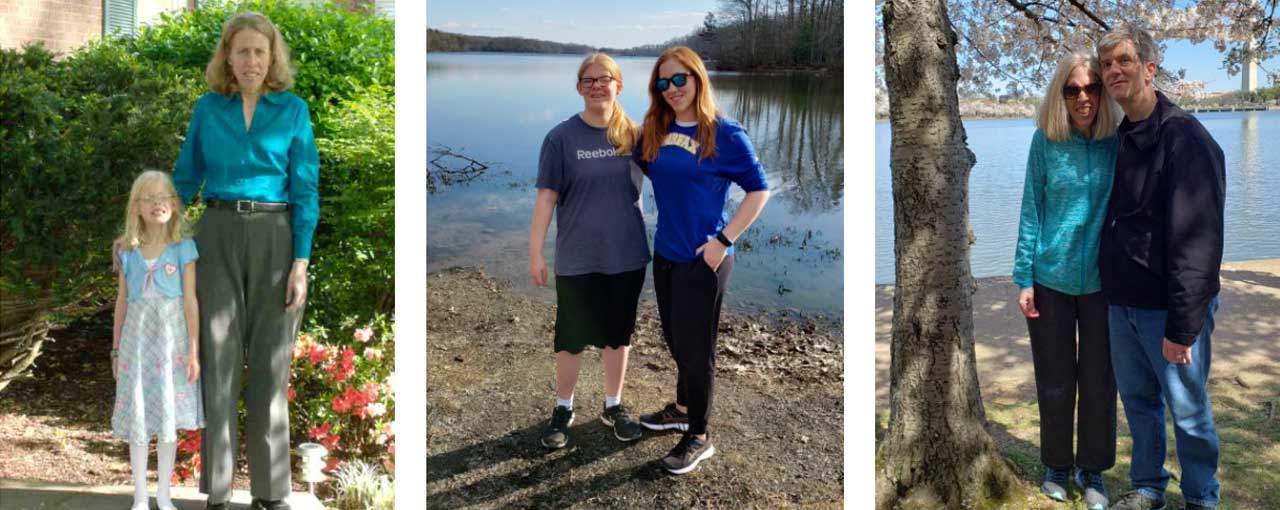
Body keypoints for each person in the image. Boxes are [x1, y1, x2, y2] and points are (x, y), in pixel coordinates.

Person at [172, 11, 320, 510]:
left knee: (272, 367)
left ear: (272, 56)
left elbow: (305, 188)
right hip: (214, 235)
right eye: (242, 52)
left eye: (260, 51)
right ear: (228, 58)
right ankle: (216, 492)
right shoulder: (208, 109)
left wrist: (300, 262)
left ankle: (272, 493)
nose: (252, 60)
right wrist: (145, 232)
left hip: (276, 238)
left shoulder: (293, 110)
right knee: (218, 364)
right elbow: (185, 177)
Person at [1096, 25, 1225, 510]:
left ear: (1150, 68)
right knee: (1140, 405)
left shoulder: (1186, 139)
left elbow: (1200, 242)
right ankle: (1149, 486)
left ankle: (1201, 499)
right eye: (1107, 64)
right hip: (1123, 303)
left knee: (1188, 413)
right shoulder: (1124, 136)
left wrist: (1184, 326)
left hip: (1167, 310)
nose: (1113, 71)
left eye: (1124, 61)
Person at [634, 46, 769, 475]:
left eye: (680, 79)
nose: (672, 89)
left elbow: (758, 190)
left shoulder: (724, 133)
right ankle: (681, 407)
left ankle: (700, 434)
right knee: (675, 340)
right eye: (663, 82)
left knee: (696, 351)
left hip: (704, 260)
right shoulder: (655, 128)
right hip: (666, 254)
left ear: (697, 78)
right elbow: (630, 161)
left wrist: (723, 240)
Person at [1012, 52, 1120, 510]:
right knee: (1055, 379)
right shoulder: (1046, 142)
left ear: (1103, 92)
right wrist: (1024, 277)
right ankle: (1056, 464)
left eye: (1091, 88)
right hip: (1050, 278)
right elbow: (1030, 210)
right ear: (1061, 94)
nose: (1083, 97)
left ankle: (1092, 470)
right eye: (1072, 89)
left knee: (1099, 381)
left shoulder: (1119, 141)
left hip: (1103, 283)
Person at [529, 52, 651, 449]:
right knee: (571, 336)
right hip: (577, 256)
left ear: (619, 85)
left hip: (627, 254)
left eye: (604, 79)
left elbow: (676, 179)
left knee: (618, 334)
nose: (597, 86)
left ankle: (613, 406)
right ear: (579, 87)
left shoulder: (636, 135)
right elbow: (547, 198)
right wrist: (536, 252)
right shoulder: (560, 138)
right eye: (588, 80)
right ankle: (564, 407)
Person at [111, 170, 204, 510]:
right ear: (136, 207)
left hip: (172, 343)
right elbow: (122, 302)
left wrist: (194, 350)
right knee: (139, 415)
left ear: (174, 205)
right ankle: (140, 496)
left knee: (166, 416)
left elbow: (191, 301)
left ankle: (164, 495)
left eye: (163, 197)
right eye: (148, 198)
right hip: (136, 344)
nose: (157, 203)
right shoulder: (127, 251)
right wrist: (115, 348)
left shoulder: (183, 249)